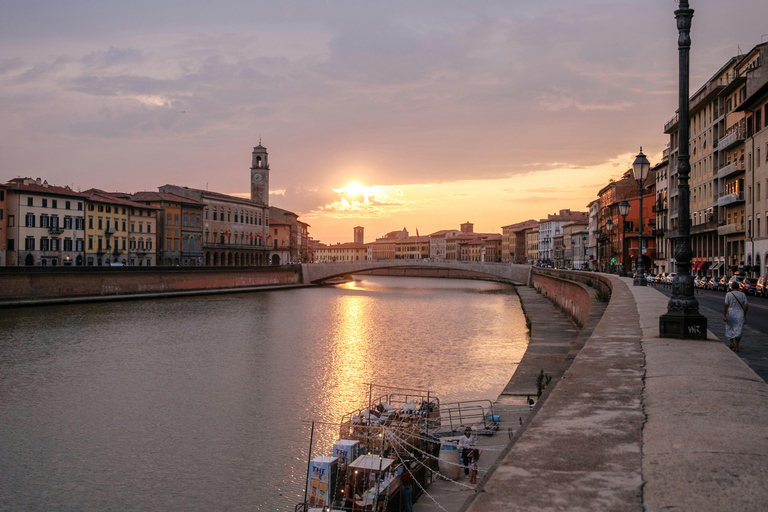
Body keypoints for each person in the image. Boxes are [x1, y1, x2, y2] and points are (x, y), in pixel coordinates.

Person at [724, 280, 748, 352]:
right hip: (740, 312)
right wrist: (744, 313)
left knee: (730, 327)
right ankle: (737, 346)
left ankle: (731, 343)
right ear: (738, 287)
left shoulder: (728, 294)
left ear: (731, 287)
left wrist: (724, 315)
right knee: (738, 329)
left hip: (731, 312)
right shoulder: (742, 294)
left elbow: (726, 305)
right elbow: (746, 305)